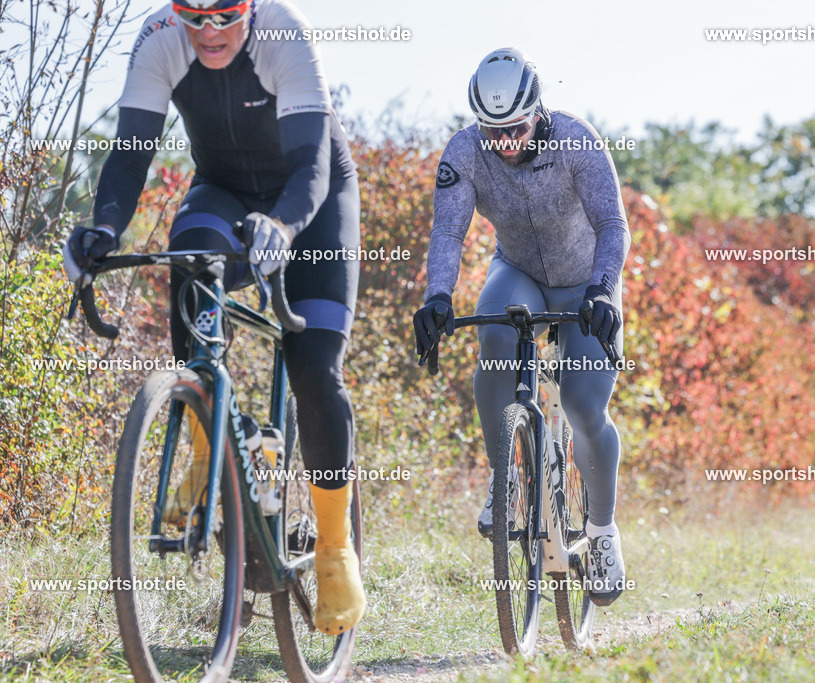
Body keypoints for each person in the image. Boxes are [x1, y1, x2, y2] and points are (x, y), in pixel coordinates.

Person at [61, 0, 364, 634]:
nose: (209, 32)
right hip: (223, 191)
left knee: (313, 370)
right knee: (191, 265)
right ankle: (207, 447)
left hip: (313, 200)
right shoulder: (159, 37)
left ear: (249, 8)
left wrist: (282, 226)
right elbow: (128, 154)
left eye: (224, 16)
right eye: (193, 17)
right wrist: (103, 230)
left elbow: (310, 165)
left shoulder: (286, 35)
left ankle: (336, 548)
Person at [412, 47, 631, 605]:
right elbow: (448, 235)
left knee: (585, 407)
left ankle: (602, 531)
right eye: (493, 129)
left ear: (538, 110)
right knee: (494, 334)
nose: (504, 141)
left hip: (587, 282)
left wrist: (605, 289)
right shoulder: (465, 152)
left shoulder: (577, 141)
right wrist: (437, 296)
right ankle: (504, 476)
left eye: (514, 127)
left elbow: (613, 223)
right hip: (520, 272)